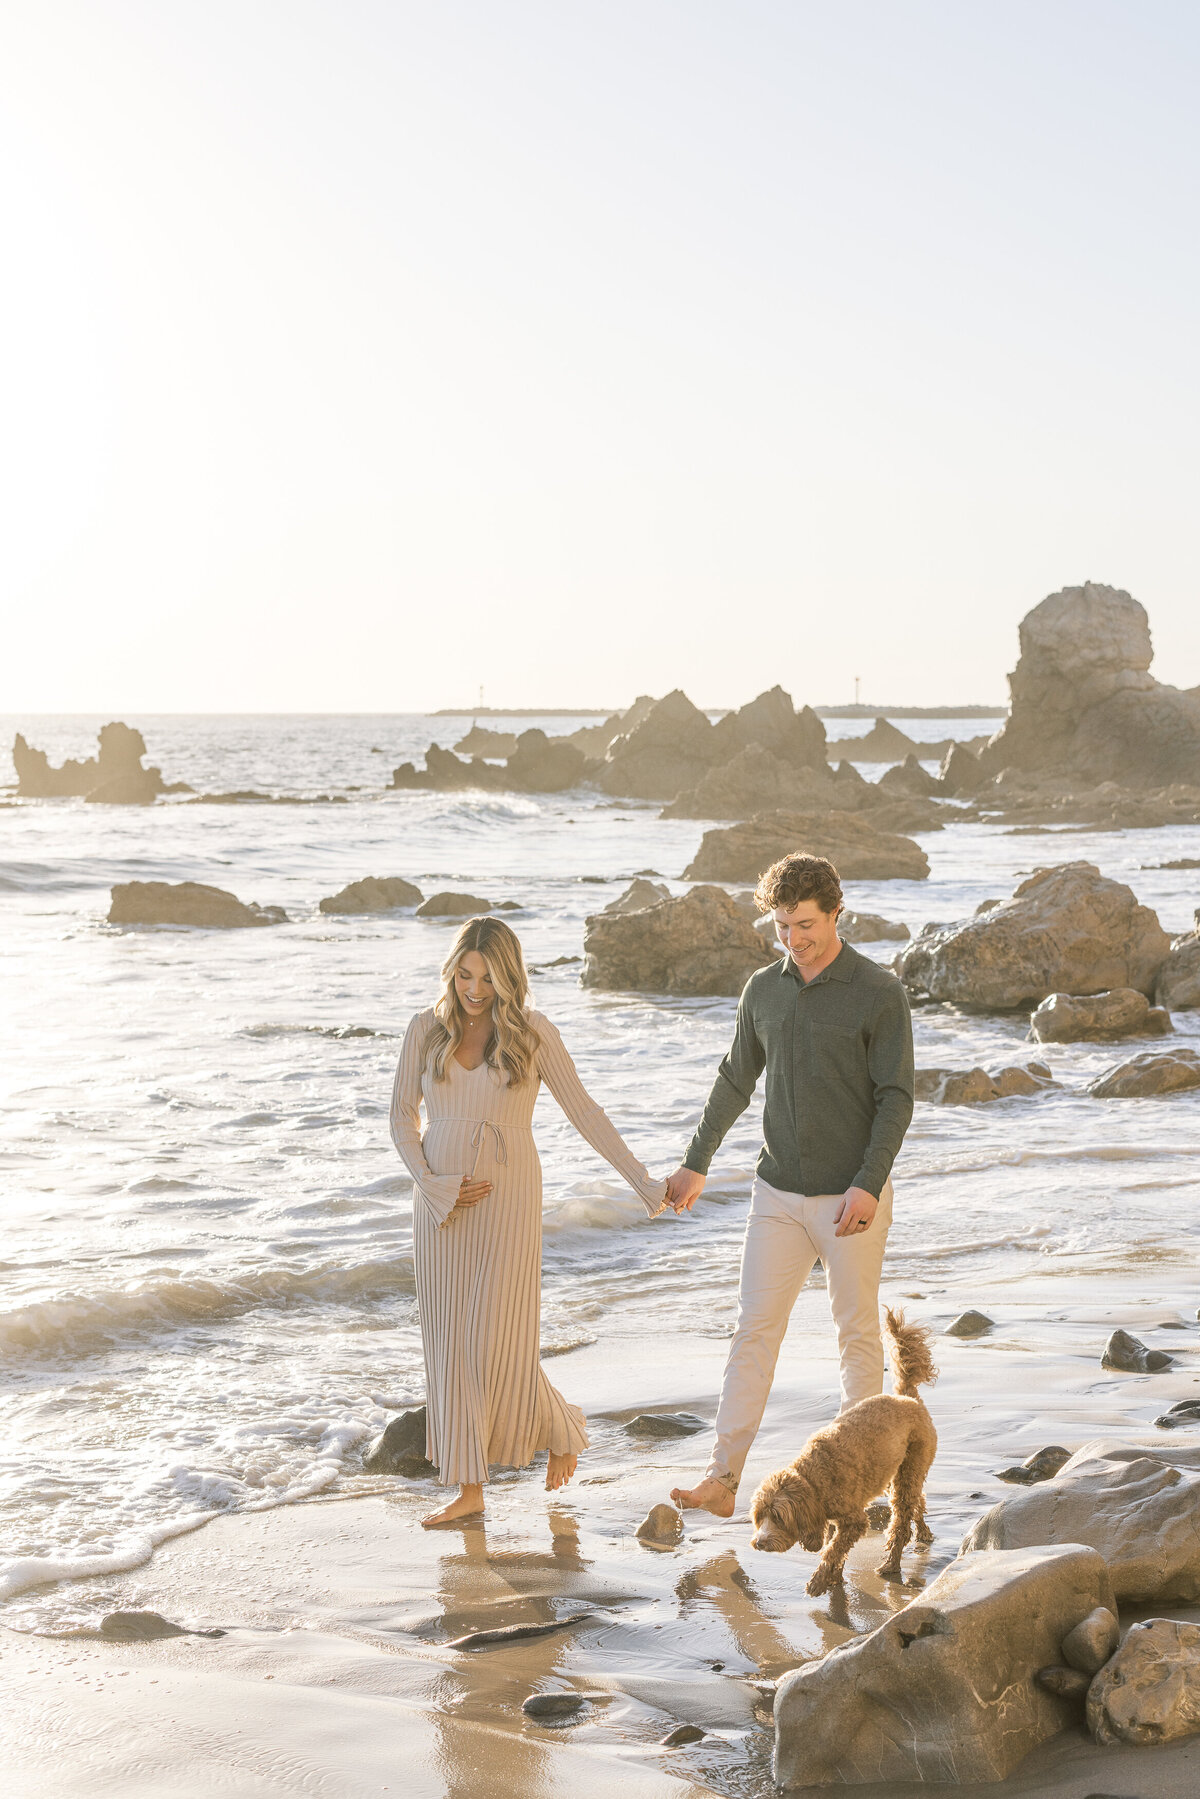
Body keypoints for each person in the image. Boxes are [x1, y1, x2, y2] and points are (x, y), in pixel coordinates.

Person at [390, 915, 666, 1526]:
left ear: (509, 977)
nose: (474, 988)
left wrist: (643, 1182)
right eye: (464, 974)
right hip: (441, 1208)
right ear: (451, 971)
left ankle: (561, 1428)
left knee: (500, 1340)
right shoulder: (423, 1030)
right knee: (449, 1343)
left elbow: (585, 1112)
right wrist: (435, 1185)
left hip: (510, 1198)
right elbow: (401, 1121)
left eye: (488, 977)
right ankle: (469, 1489)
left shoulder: (533, 1034)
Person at [665, 853, 914, 1518]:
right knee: (753, 1330)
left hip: (850, 1198)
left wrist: (868, 1183)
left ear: (836, 913)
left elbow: (896, 1097)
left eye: (805, 923)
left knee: (856, 1335)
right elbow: (733, 1078)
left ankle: (858, 1487)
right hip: (776, 1193)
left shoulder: (877, 991)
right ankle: (722, 1477)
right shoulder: (763, 990)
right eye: (782, 926)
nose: (794, 938)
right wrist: (697, 1160)